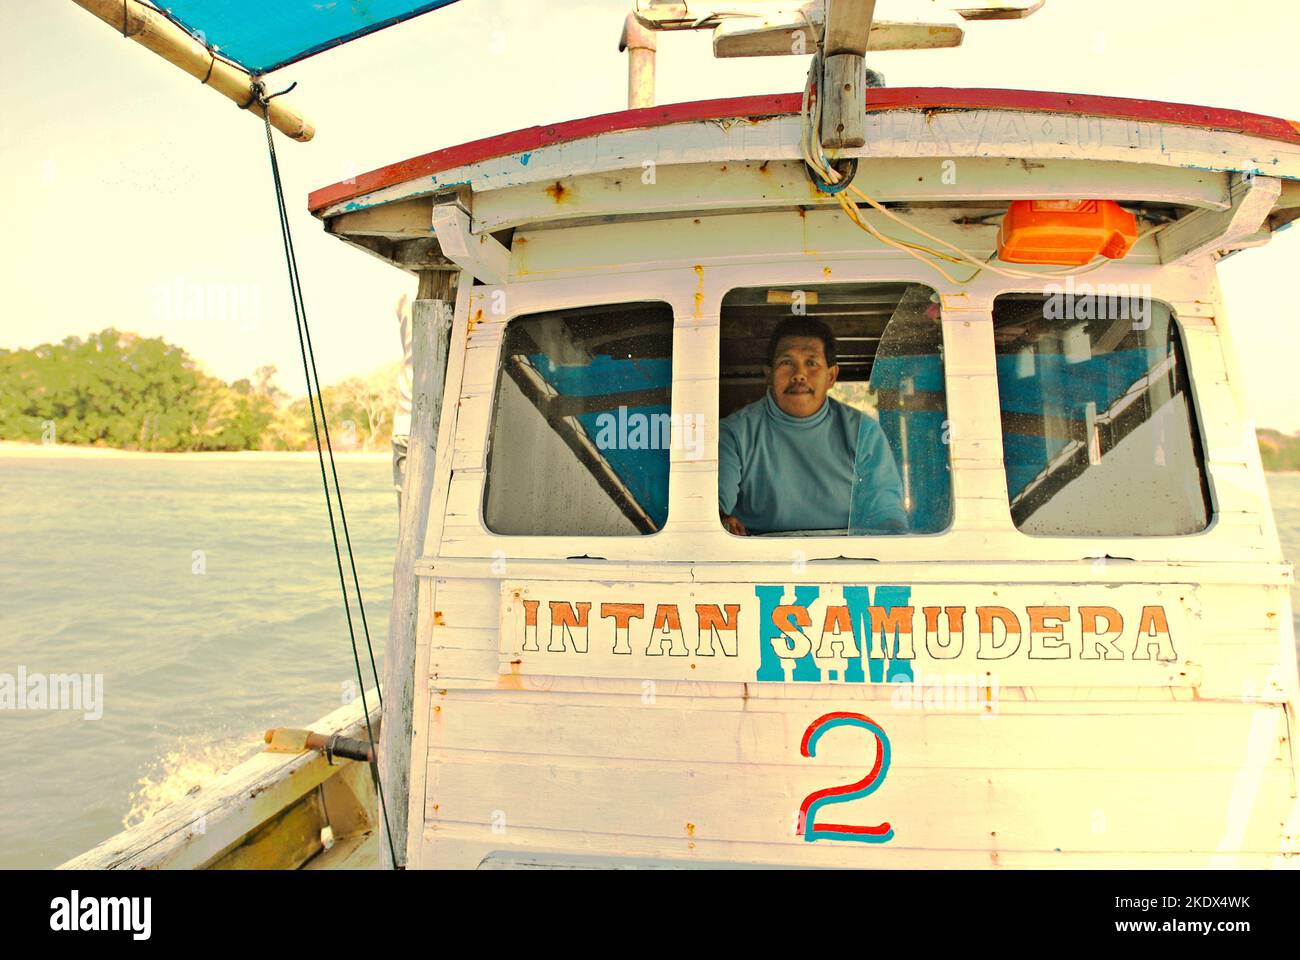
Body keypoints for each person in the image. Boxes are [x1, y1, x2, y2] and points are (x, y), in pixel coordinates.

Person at [718, 317, 908, 536]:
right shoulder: (734, 433)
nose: (799, 375)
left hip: (848, 562)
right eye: (786, 362)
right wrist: (723, 520)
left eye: (811, 363)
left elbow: (886, 518)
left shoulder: (863, 432)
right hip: (759, 563)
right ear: (768, 374)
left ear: (831, 376)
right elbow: (715, 513)